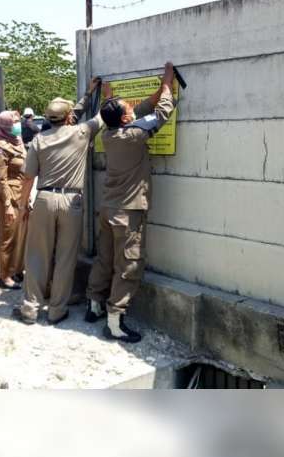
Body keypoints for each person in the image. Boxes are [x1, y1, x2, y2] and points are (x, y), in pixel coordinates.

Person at [85, 62, 178, 343]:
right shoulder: (135, 135)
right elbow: (162, 112)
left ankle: (94, 304)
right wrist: (167, 83)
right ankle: (115, 322)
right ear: (125, 118)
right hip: (127, 214)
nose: (132, 109)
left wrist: (112, 98)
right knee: (128, 265)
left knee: (105, 259)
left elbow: (140, 110)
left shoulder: (111, 133)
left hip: (108, 210)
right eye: (128, 108)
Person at [12, 78, 102, 325]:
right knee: (65, 257)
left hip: (44, 198)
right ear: (69, 117)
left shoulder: (39, 139)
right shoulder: (81, 132)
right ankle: (56, 310)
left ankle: (30, 308)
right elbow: (101, 117)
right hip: (72, 201)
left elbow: (28, 177)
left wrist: (23, 206)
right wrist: (101, 94)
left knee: (37, 256)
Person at [0, 110, 27, 290]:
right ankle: (3, 275)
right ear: (5, 125)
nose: (17, 125)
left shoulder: (18, 141)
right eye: (13, 122)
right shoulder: (1, 147)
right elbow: (2, 179)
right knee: (7, 236)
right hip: (8, 195)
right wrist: (7, 205)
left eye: (18, 121)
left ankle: (16, 270)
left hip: (21, 193)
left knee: (19, 234)